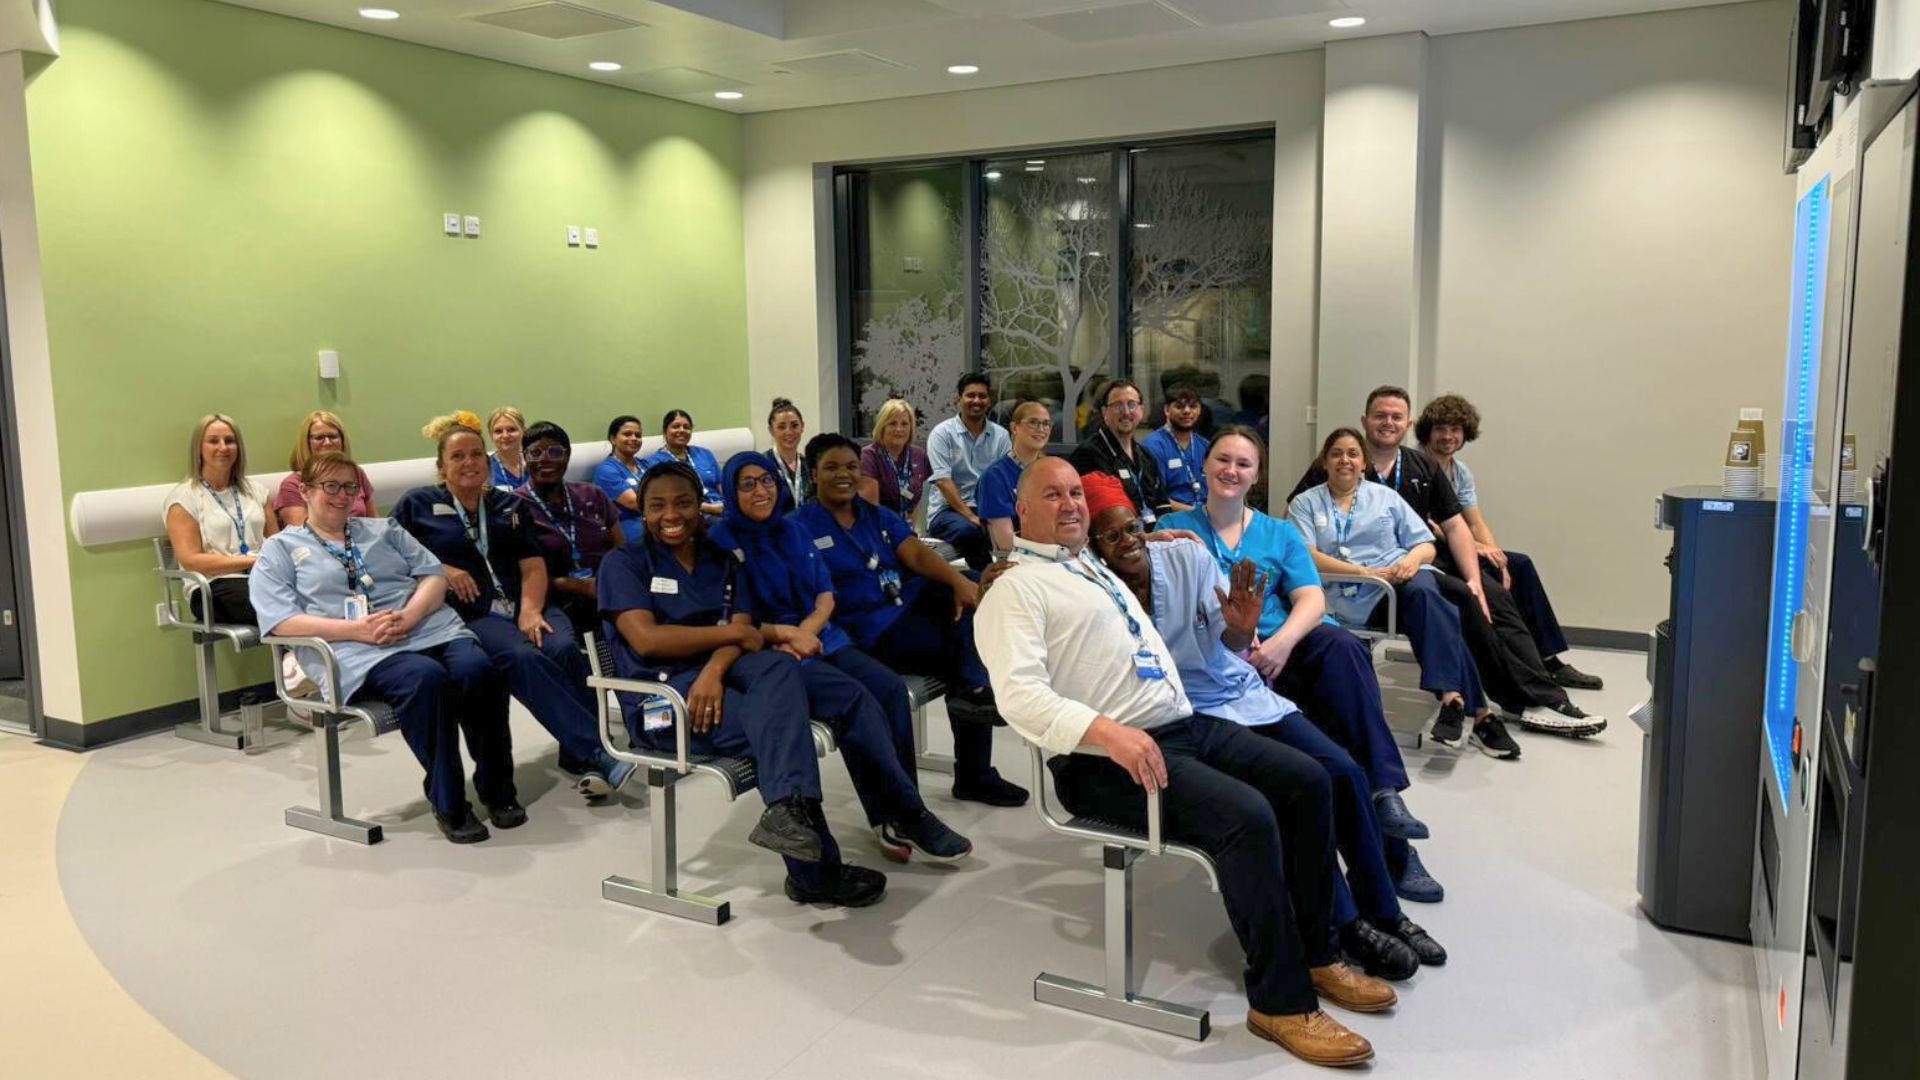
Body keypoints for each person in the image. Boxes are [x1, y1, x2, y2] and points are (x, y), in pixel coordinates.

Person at [975, 457, 1390, 1067]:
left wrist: (1165, 537)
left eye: (1074, 495)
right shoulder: (1014, 589)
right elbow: (1020, 698)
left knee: (1309, 779)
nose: (1068, 505)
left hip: (1180, 727)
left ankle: (1319, 953)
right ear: (1022, 511)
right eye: (1052, 496)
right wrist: (1108, 734)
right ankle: (1279, 1002)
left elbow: (1137, 551)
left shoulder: (1089, 565)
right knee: (1247, 817)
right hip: (1103, 760)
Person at [1076, 473, 1446, 974]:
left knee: (1343, 771)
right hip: (1185, 716)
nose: (1128, 543)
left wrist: (1244, 627)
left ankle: (1386, 910)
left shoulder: (1186, 557)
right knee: (1293, 792)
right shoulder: (1092, 588)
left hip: (1237, 692)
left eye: (1131, 529)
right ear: (1093, 545)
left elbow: (1230, 642)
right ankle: (1348, 923)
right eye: (1111, 535)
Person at [1164, 426, 1446, 903]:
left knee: (1343, 650)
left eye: (1244, 463)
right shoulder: (1177, 531)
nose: (1231, 470)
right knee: (1332, 734)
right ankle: (1388, 849)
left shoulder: (1278, 532)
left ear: (1257, 475)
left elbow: (1312, 597)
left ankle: (1384, 795)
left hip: (1283, 651)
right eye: (1223, 460)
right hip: (1219, 666)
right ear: (1205, 467)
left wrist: (1282, 644)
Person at [598, 463, 890, 906]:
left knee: (779, 668)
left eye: (683, 502)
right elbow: (648, 639)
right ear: (642, 511)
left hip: (717, 680)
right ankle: (813, 870)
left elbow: (747, 632)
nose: (671, 514)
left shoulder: (721, 559)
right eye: (656, 506)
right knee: (779, 726)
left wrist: (714, 670)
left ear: (701, 506)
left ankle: (791, 820)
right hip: (662, 703)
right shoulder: (624, 563)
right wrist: (731, 638)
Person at [1290, 387, 1606, 740]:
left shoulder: (1418, 466)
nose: (1387, 423)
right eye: (1380, 416)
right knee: (1459, 603)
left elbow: (1455, 524)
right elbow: (1296, 534)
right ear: (1365, 421)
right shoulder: (1328, 476)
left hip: (1420, 561)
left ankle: (1540, 681)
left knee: (1494, 591)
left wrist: (1475, 578)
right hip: (1375, 581)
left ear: (1407, 424)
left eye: (1396, 417)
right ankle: (1503, 703)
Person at [710, 453, 972, 863]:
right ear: (730, 491)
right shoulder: (721, 543)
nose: (760, 491)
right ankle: (901, 812)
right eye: (747, 484)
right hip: (769, 652)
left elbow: (825, 594)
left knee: (888, 690)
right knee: (856, 701)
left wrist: (808, 632)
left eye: (766, 481)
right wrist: (789, 636)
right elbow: (729, 620)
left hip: (821, 638)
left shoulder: (790, 530)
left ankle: (901, 811)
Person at [251, 452, 506, 844]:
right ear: (305, 490)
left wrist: (410, 616)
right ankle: (450, 801)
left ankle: (496, 786)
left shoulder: (383, 529)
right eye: (329, 486)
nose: (341, 496)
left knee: (479, 670)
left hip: (427, 628)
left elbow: (433, 576)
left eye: (350, 487)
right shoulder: (280, 550)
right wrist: (357, 630)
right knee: (427, 679)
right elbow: (280, 622)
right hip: (357, 650)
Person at [392, 412, 633, 811]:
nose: (469, 463)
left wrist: (531, 610)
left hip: (526, 601)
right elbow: (394, 559)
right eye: (457, 457)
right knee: (521, 656)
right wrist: (443, 569)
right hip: (475, 613)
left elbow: (533, 565)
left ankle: (579, 750)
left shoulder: (508, 505)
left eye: (475, 455)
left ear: (487, 462)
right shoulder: (417, 505)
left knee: (560, 647)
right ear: (441, 466)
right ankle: (598, 751)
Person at [794, 433, 1029, 808]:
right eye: (832, 467)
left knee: (969, 589)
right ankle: (973, 764)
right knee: (966, 650)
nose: (844, 475)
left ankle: (975, 704)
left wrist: (954, 581)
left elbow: (916, 554)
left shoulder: (875, 515)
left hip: (903, 611)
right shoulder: (799, 527)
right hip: (866, 632)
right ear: (812, 474)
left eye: (852, 466)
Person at [1288, 429, 1514, 759]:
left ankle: (1453, 699)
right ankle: (1479, 713)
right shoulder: (1305, 503)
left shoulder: (1386, 498)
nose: (1345, 460)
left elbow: (1425, 544)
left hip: (1397, 585)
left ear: (1364, 462)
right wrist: (1366, 572)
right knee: (1438, 607)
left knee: (1425, 590)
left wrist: (1410, 560)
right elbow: (1304, 554)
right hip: (1349, 597)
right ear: (1324, 462)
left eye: (1353, 453)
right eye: (1336, 453)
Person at [1416, 393, 1604, 691]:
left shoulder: (1459, 471)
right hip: (1430, 550)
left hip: (1460, 544)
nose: (1448, 436)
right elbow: (1426, 524)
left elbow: (1475, 522)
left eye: (1455, 429)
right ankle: (1513, 666)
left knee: (1519, 565)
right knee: (1488, 576)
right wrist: (1476, 549)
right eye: (1441, 429)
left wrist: (1495, 553)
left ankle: (1547, 659)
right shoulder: (1416, 466)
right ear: (1427, 431)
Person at [164, 413, 279, 625]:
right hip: (213, 587)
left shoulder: (256, 492)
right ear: (199, 448)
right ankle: (292, 654)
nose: (223, 447)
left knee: (315, 592)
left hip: (262, 576)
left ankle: (295, 655)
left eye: (230, 441)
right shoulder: (183, 499)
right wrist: (253, 561)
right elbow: (192, 560)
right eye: (213, 441)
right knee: (276, 604)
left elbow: (276, 542)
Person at [513, 421, 624, 638]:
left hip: (606, 587)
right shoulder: (515, 506)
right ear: (525, 457)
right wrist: (577, 586)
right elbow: (517, 573)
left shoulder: (593, 494)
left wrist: (608, 582)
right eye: (536, 452)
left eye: (555, 452)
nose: (545, 459)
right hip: (552, 597)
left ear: (567, 456)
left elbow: (621, 549)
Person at [1069, 378, 1186, 528]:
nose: (1125, 412)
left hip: (1155, 536)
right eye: (1117, 405)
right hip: (1116, 538)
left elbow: (1162, 504)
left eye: (1132, 405)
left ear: (1141, 411)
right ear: (1105, 412)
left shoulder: (1146, 456)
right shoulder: (1088, 455)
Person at [925, 373, 1011, 570]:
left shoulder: (1000, 435)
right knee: (971, 531)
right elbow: (943, 481)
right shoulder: (942, 434)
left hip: (986, 508)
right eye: (970, 395)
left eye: (982, 396)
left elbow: (1002, 479)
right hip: (947, 511)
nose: (977, 401)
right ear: (958, 400)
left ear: (989, 401)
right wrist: (970, 516)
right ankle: (988, 581)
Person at [275, 410, 376, 528]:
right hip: (322, 544)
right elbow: (303, 535)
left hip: (365, 541)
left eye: (333, 436)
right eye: (319, 438)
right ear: (307, 443)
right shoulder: (292, 485)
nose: (327, 443)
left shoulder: (356, 473)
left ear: (342, 441)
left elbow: (375, 522)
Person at [977, 399, 1053, 553]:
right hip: (1022, 561)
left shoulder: (1051, 471)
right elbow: (1006, 543)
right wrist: (1052, 553)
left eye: (1046, 424)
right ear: (1014, 428)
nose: (1041, 429)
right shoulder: (995, 477)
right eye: (1033, 422)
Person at [1140, 383, 1210, 509]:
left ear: (1199, 410)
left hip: (1207, 515)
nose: (1187, 411)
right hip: (1172, 519)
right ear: (1166, 410)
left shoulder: (1206, 445)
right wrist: (1197, 513)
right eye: (1180, 407)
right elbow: (1155, 498)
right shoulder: (1153, 446)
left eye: (1193, 406)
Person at [858, 398, 932, 518]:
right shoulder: (868, 456)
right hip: (878, 528)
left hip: (906, 527)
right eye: (892, 423)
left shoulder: (919, 455)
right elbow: (869, 509)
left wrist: (911, 533)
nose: (899, 429)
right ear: (882, 427)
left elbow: (916, 502)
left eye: (904, 424)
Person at [643, 409, 724, 515]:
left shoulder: (704, 453)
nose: (682, 430)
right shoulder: (655, 463)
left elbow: (721, 485)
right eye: (676, 426)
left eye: (686, 427)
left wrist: (730, 504)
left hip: (721, 506)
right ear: (665, 431)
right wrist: (711, 509)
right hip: (693, 513)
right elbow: (672, 499)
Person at [593, 415, 648, 533]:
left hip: (653, 520)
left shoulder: (645, 465)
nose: (634, 438)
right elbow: (635, 503)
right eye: (627, 434)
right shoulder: (606, 471)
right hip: (628, 528)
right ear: (613, 439)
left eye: (638, 435)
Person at [765, 397, 811, 506]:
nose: (789, 432)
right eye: (781, 427)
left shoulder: (809, 465)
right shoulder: (763, 465)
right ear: (771, 431)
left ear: (802, 426)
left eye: (794, 425)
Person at [487, 406, 528, 491]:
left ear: (523, 431)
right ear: (491, 435)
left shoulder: (534, 464)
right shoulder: (485, 468)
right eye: (498, 431)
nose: (505, 436)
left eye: (512, 430)